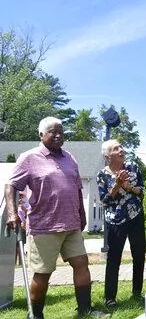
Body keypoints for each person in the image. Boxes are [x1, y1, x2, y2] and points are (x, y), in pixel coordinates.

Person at [4, 117, 109, 319]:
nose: (59, 135)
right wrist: (11, 213)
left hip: (71, 224)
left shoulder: (70, 158)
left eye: (61, 131)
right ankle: (35, 315)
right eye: (53, 131)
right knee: (43, 273)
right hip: (44, 227)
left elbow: (77, 188)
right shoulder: (29, 158)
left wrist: (82, 213)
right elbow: (11, 186)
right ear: (41, 134)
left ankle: (85, 310)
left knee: (82, 264)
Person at [97, 139, 146, 308]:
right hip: (115, 221)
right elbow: (105, 200)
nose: (120, 150)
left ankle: (137, 293)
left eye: (121, 147)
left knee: (139, 256)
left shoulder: (133, 167)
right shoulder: (102, 175)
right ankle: (110, 297)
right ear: (107, 155)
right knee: (114, 259)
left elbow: (142, 191)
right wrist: (117, 185)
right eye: (115, 148)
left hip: (135, 216)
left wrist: (129, 187)